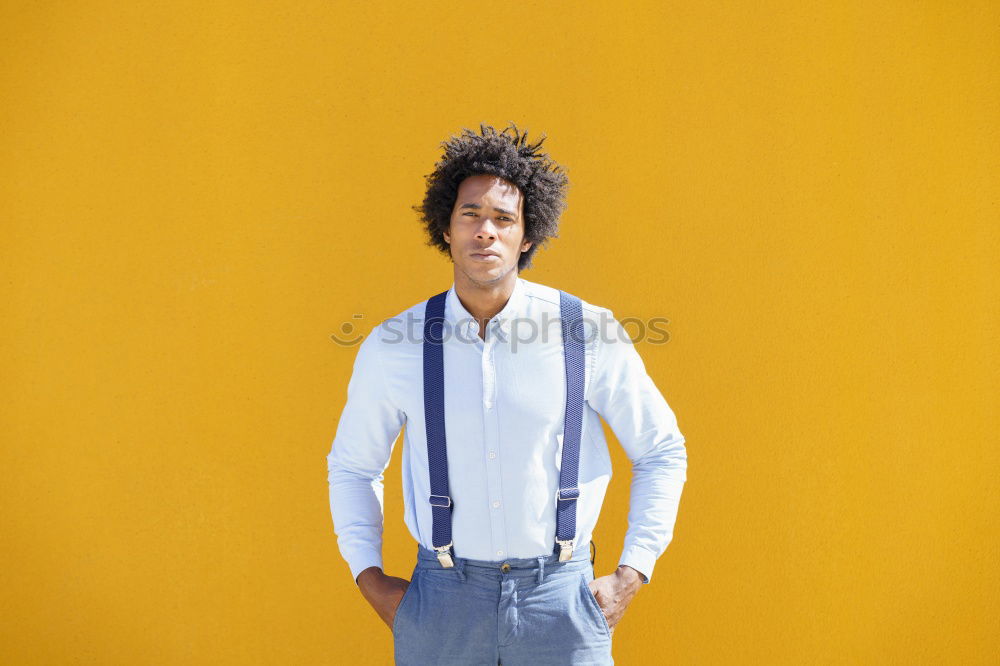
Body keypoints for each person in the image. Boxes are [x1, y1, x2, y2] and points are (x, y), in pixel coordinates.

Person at [327, 123, 688, 665]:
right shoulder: (394, 345)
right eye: (470, 215)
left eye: (503, 219)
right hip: (442, 602)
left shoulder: (586, 331)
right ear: (445, 230)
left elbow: (661, 450)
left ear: (527, 236)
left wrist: (633, 571)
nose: (485, 232)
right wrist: (369, 577)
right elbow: (354, 467)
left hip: (561, 600)